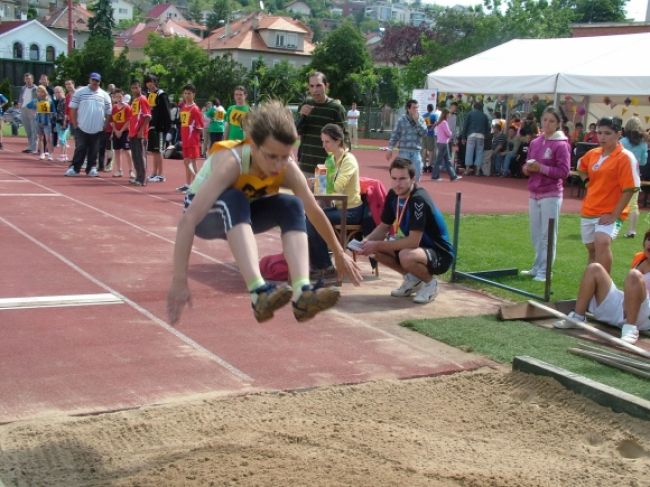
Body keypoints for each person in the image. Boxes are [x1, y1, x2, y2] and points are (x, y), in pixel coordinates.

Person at [167, 101, 362, 325]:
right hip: (206, 216)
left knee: (292, 205)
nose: (279, 165)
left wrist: (338, 252)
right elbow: (188, 220)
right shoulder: (232, 161)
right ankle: (258, 293)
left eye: (285, 156)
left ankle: (302, 293)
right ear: (253, 145)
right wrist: (179, 279)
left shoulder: (286, 166)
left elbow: (315, 211)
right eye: (271, 157)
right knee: (235, 198)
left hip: (243, 213)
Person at [357, 158, 454, 304]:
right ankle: (413, 279)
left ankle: (430, 284)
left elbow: (413, 241)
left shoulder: (418, 200)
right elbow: (384, 226)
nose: (397, 183)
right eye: (394, 178)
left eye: (402, 178)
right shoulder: (393, 195)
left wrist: (376, 244)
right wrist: (366, 242)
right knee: (373, 250)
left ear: (413, 179)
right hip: (418, 249)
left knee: (405, 255)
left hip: (440, 254)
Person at [554, 230, 650, 344]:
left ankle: (630, 329)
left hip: (644, 314)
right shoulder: (640, 259)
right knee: (594, 268)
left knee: (633, 275)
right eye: (649, 239)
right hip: (624, 304)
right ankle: (578, 317)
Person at [576, 117, 639, 274]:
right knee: (592, 251)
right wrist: (587, 181)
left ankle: (605, 289)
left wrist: (614, 215)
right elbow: (580, 167)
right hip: (589, 209)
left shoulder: (625, 157)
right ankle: (591, 287)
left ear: (618, 134)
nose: (602, 137)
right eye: (599, 133)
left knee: (602, 242)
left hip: (610, 212)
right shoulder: (593, 154)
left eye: (607, 133)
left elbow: (629, 189)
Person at [520, 106, 571, 282]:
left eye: (551, 121)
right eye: (545, 120)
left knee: (547, 234)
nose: (547, 124)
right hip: (534, 192)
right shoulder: (535, 142)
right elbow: (526, 165)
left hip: (551, 193)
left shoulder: (562, 144)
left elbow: (563, 172)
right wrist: (527, 168)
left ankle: (545, 270)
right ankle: (537, 266)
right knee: (535, 233)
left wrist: (541, 168)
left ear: (558, 124)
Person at [307, 123, 364, 278]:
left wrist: (321, 182)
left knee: (313, 219)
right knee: (311, 216)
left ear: (338, 141)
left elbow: (337, 188)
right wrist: (315, 182)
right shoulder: (330, 160)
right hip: (338, 208)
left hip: (351, 210)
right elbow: (324, 189)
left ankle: (325, 266)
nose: (323, 145)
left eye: (327, 142)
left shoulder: (349, 160)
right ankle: (320, 263)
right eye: (322, 141)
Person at [296, 72, 347, 175]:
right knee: (304, 192)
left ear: (326, 86)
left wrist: (344, 162)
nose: (315, 90)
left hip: (326, 168)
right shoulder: (305, 105)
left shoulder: (336, 108)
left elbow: (344, 137)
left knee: (322, 192)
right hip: (305, 165)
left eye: (319, 85)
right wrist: (302, 116)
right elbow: (296, 131)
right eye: (312, 86)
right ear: (308, 87)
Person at [64, 73, 112, 177]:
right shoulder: (80, 92)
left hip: (98, 128)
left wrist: (105, 125)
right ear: (89, 80)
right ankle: (75, 168)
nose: (95, 82)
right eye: (93, 80)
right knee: (80, 148)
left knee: (94, 149)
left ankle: (91, 168)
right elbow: (73, 108)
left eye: (97, 81)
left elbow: (109, 112)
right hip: (82, 126)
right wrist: (75, 123)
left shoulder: (104, 95)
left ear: (100, 82)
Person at [385, 99, 427, 182]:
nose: (416, 110)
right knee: (402, 176)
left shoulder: (421, 119)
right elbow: (395, 135)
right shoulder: (401, 120)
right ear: (408, 109)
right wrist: (390, 149)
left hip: (416, 152)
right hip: (404, 152)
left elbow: (424, 133)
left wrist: (417, 122)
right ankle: (402, 194)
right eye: (414, 108)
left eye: (417, 108)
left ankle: (414, 193)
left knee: (417, 174)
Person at [621, 117, 648, 238]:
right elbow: (643, 162)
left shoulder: (622, 141)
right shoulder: (643, 144)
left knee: (614, 201)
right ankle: (632, 230)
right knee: (633, 205)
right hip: (635, 176)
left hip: (620, 175)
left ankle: (610, 228)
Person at [176, 84, 204, 193]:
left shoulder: (195, 109)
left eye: (189, 93)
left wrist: (196, 138)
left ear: (194, 95)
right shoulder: (183, 107)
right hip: (185, 139)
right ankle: (188, 184)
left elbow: (200, 126)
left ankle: (197, 185)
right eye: (185, 93)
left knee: (192, 163)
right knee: (186, 162)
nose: (187, 95)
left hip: (192, 140)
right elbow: (183, 125)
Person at [144, 74, 172, 183]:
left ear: (155, 82)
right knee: (154, 151)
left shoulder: (161, 95)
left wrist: (167, 128)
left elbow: (166, 112)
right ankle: (154, 173)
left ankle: (161, 174)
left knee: (159, 151)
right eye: (147, 82)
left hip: (160, 128)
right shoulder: (148, 95)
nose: (149, 84)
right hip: (151, 127)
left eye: (151, 81)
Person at [128, 81, 151, 186]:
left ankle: (142, 179)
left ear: (140, 88)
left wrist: (141, 131)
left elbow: (147, 116)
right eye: (133, 88)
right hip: (133, 132)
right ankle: (138, 176)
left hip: (139, 133)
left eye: (136, 88)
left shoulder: (142, 99)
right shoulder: (134, 100)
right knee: (135, 156)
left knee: (140, 155)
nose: (134, 90)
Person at [461, 101, 490, 176]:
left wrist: (463, 137)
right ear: (481, 108)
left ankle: (467, 169)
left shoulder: (470, 114)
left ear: (474, 107)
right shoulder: (484, 116)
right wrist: (486, 137)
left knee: (469, 151)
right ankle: (477, 170)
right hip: (481, 136)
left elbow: (465, 125)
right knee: (479, 152)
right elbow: (488, 128)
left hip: (471, 134)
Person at [431, 108, 460, 182]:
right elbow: (449, 133)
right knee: (442, 161)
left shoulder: (440, 122)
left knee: (446, 160)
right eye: (449, 113)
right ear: (446, 114)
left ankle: (453, 176)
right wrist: (451, 133)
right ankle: (435, 176)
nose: (450, 115)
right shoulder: (444, 122)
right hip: (444, 143)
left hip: (441, 142)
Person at [110, 88, 133, 178]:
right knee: (117, 151)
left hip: (125, 132)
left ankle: (131, 170)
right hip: (116, 132)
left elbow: (128, 121)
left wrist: (121, 131)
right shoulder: (114, 108)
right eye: (116, 97)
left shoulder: (127, 107)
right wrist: (115, 131)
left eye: (120, 96)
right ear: (114, 98)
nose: (118, 98)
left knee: (127, 151)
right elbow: (112, 121)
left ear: (122, 97)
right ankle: (119, 170)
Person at [18, 73, 38, 153]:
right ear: (24, 80)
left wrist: (35, 110)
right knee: (28, 129)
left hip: (32, 110)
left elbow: (38, 99)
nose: (28, 80)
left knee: (34, 129)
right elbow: (21, 97)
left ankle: (34, 148)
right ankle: (30, 146)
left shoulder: (36, 88)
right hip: (23, 109)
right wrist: (20, 103)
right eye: (26, 79)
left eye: (29, 79)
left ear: (32, 79)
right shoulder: (23, 88)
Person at [35, 85, 54, 161]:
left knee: (48, 139)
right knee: (40, 138)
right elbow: (30, 106)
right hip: (39, 121)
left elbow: (53, 110)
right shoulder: (37, 100)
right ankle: (42, 153)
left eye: (41, 91)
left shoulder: (49, 99)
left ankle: (50, 154)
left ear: (44, 92)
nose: (39, 93)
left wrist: (50, 115)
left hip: (47, 122)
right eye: (38, 91)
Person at [52, 85, 70, 162]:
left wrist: (64, 123)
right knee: (63, 139)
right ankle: (64, 155)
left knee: (62, 139)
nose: (57, 94)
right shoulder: (59, 101)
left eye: (59, 92)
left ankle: (63, 155)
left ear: (63, 92)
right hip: (59, 121)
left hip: (63, 121)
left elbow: (66, 113)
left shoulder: (64, 100)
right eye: (56, 92)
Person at [421, 103, 438, 174]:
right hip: (430, 134)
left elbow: (422, 124)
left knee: (424, 149)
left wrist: (428, 125)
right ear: (432, 109)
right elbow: (436, 123)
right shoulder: (434, 115)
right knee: (431, 150)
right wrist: (432, 127)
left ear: (427, 108)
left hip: (424, 134)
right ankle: (430, 166)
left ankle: (424, 166)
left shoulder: (423, 115)